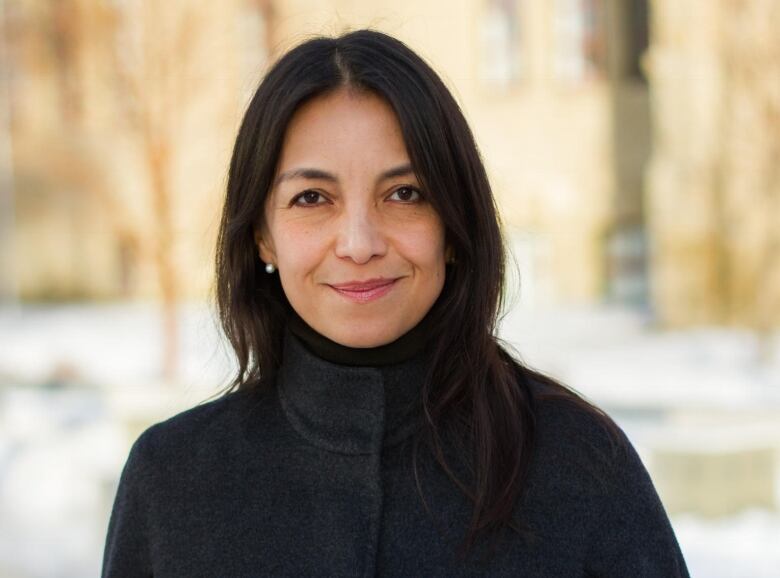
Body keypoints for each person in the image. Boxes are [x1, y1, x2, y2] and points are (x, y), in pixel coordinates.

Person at [102, 29, 690, 577]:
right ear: (261, 235)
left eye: (404, 194)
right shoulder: (172, 481)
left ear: (454, 224)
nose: (359, 244)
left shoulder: (579, 464)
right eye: (312, 197)